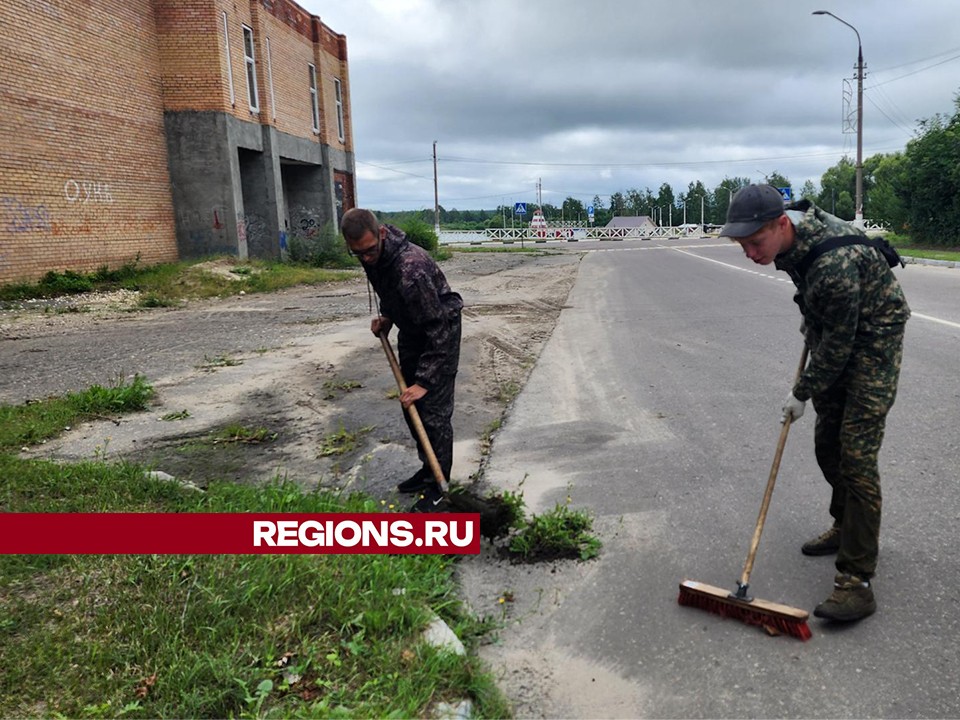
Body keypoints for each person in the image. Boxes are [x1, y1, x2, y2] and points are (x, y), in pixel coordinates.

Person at [721, 184, 910, 622]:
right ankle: (847, 527)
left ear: (781, 223)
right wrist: (812, 323)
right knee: (828, 444)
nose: (749, 253)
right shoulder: (791, 241)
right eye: (742, 244)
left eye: (754, 242)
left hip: (875, 339)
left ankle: (857, 581)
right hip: (836, 328)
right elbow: (819, 312)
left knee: (857, 455)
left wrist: (800, 392)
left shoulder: (833, 264)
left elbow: (841, 346)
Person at [340, 208, 463, 512]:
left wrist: (425, 381)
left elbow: (439, 328)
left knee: (433, 412)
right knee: (412, 407)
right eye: (358, 254)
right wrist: (388, 316)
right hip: (411, 327)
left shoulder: (412, 269)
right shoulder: (375, 256)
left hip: (440, 333)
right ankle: (427, 469)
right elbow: (391, 290)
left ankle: (439, 485)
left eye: (370, 251)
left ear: (381, 234)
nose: (366, 258)